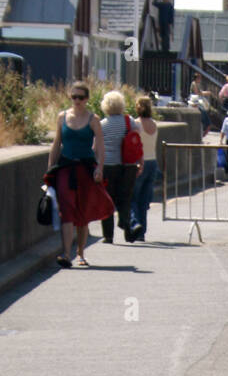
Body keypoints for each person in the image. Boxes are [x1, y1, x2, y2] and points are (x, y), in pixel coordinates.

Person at [45, 81, 114, 267]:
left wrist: (100, 167)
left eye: (81, 97)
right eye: (74, 97)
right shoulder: (62, 117)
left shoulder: (94, 119)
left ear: (87, 99)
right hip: (65, 169)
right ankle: (66, 254)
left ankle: (81, 253)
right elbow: (56, 144)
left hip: (86, 169)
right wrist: (50, 169)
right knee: (66, 210)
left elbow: (100, 146)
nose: (77, 101)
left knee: (82, 213)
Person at [99, 89, 142, 244]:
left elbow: (96, 147)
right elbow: (137, 142)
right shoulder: (129, 121)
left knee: (107, 200)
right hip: (128, 165)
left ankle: (108, 235)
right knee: (125, 198)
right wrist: (140, 162)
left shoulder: (102, 125)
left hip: (109, 166)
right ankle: (129, 228)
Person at [129, 96, 159, 241]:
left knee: (133, 196)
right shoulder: (154, 124)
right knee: (144, 199)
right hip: (153, 161)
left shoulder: (135, 124)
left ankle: (135, 223)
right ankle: (142, 232)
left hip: (139, 162)